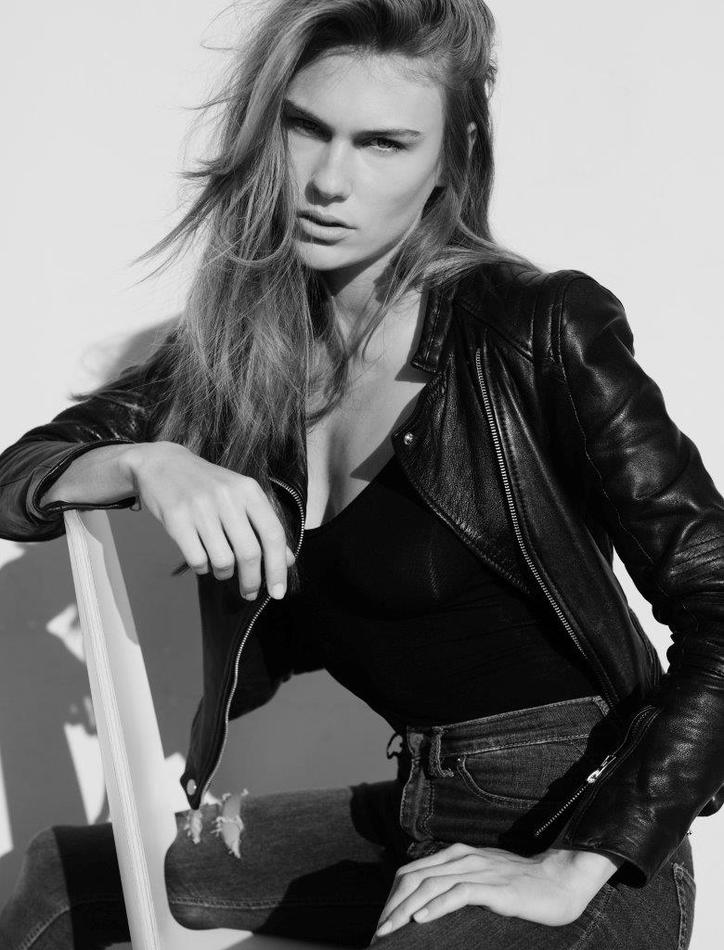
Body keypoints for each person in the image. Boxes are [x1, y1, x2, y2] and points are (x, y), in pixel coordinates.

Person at [0, 0, 718, 947]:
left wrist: (575, 864)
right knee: (57, 880)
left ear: (453, 155)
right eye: (306, 128)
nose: (328, 181)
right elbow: (18, 480)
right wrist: (142, 459)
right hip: (416, 810)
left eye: (384, 143)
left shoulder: (535, 330)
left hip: (582, 821)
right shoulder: (238, 359)